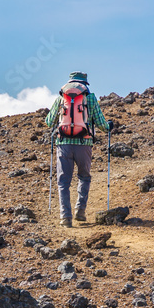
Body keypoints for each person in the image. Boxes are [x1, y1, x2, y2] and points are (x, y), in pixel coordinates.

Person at [45, 71, 109, 227]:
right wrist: (109, 127)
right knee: (84, 177)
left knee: (63, 182)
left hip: (63, 144)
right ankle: (80, 211)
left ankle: (65, 217)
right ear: (85, 84)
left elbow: (49, 121)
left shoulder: (61, 97)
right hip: (84, 143)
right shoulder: (90, 97)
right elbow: (101, 123)